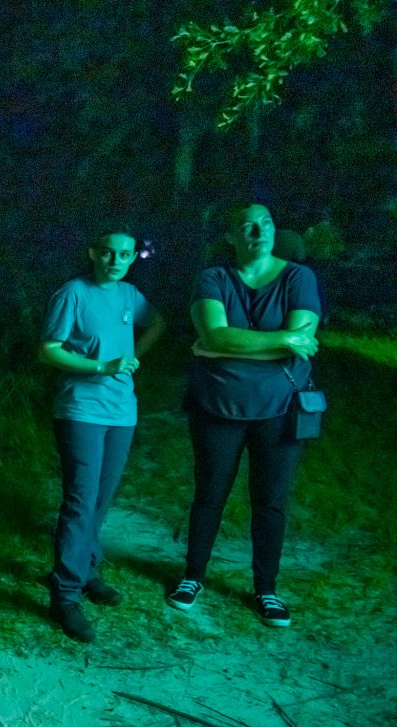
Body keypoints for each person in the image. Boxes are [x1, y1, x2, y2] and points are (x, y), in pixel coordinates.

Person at [168, 202, 321, 627]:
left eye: (267, 223)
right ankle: (192, 576)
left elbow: (303, 338)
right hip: (217, 407)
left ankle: (266, 589)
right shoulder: (214, 278)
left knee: (270, 500)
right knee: (210, 493)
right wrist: (280, 340)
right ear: (231, 236)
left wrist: (226, 344)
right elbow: (213, 332)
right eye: (247, 226)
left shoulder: (298, 277)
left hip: (280, 409)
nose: (259, 231)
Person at [39, 224, 166, 643]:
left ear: (133, 258)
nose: (116, 261)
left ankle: (87, 568)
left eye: (125, 255)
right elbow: (49, 349)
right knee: (80, 499)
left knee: (102, 498)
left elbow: (157, 323)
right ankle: (66, 594)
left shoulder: (130, 296)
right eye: (108, 252)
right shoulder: (73, 293)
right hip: (81, 409)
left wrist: (134, 357)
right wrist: (100, 367)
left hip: (122, 411)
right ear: (94, 252)